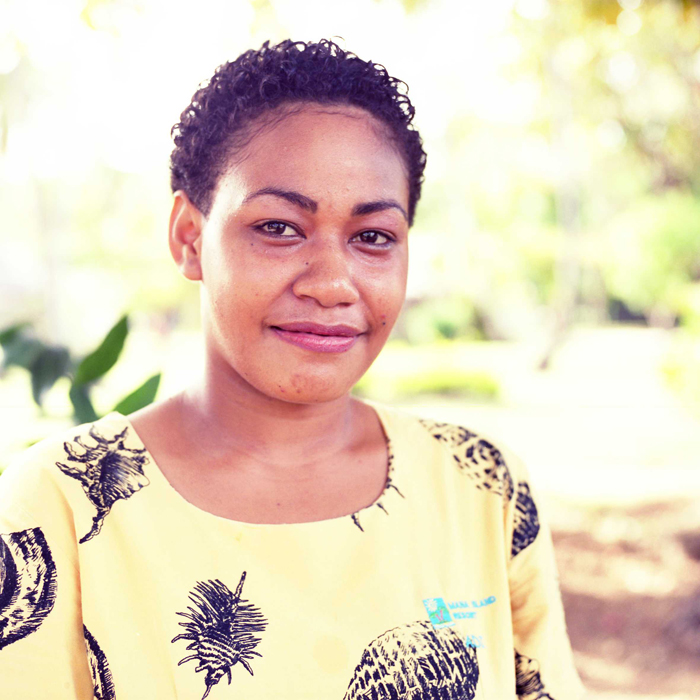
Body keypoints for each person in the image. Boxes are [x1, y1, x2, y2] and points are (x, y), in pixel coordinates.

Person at [0, 39, 585, 699]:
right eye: (279, 227)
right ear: (189, 237)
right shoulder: (60, 506)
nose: (332, 283)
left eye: (373, 237)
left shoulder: (482, 488)